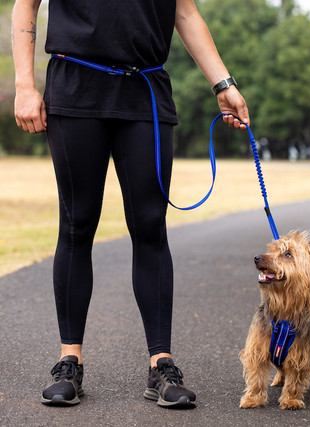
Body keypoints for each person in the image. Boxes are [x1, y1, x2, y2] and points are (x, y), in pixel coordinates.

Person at [12, 0, 250, 408]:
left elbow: (185, 12)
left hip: (145, 93)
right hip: (76, 85)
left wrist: (223, 83)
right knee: (76, 224)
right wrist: (24, 84)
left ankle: (161, 365)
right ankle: (69, 362)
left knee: (151, 227)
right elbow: (25, 4)